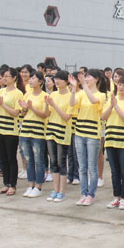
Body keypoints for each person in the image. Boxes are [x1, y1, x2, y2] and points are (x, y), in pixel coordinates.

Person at [69, 69, 107, 206]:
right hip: (79, 133)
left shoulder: (101, 95)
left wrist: (84, 85)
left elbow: (93, 100)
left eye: (89, 76)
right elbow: (72, 104)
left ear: (96, 79)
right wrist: (74, 89)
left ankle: (91, 194)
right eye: (85, 77)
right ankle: (83, 193)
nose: (86, 78)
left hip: (92, 134)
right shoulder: (81, 94)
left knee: (92, 167)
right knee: (82, 167)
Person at [103, 74, 124, 210]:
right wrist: (111, 105)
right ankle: (116, 197)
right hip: (111, 139)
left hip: (123, 140)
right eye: (119, 84)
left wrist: (116, 106)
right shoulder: (112, 99)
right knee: (114, 171)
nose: (121, 87)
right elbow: (103, 116)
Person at [0, 67, 24, 195]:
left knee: (11, 158)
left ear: (14, 78)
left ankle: (12, 184)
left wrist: (3, 105)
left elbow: (16, 112)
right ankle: (5, 183)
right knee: (2, 157)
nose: (4, 78)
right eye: (3, 76)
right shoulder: (0, 91)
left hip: (10, 129)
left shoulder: (18, 93)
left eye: (7, 76)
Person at [19, 71, 50, 198]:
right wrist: (24, 108)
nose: (30, 80)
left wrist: (31, 108)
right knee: (28, 159)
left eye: (33, 78)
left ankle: (38, 186)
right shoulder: (27, 94)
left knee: (39, 160)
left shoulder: (45, 96)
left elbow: (45, 115)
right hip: (25, 130)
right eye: (30, 78)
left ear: (40, 81)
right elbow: (23, 114)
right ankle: (30, 184)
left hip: (38, 131)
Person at [45, 70, 73, 202]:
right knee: (53, 162)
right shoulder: (53, 94)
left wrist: (53, 105)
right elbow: (47, 113)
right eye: (55, 79)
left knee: (61, 162)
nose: (56, 81)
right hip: (51, 129)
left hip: (63, 132)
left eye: (59, 79)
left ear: (66, 81)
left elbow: (66, 117)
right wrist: (47, 105)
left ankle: (62, 191)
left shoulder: (70, 96)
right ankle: (55, 190)